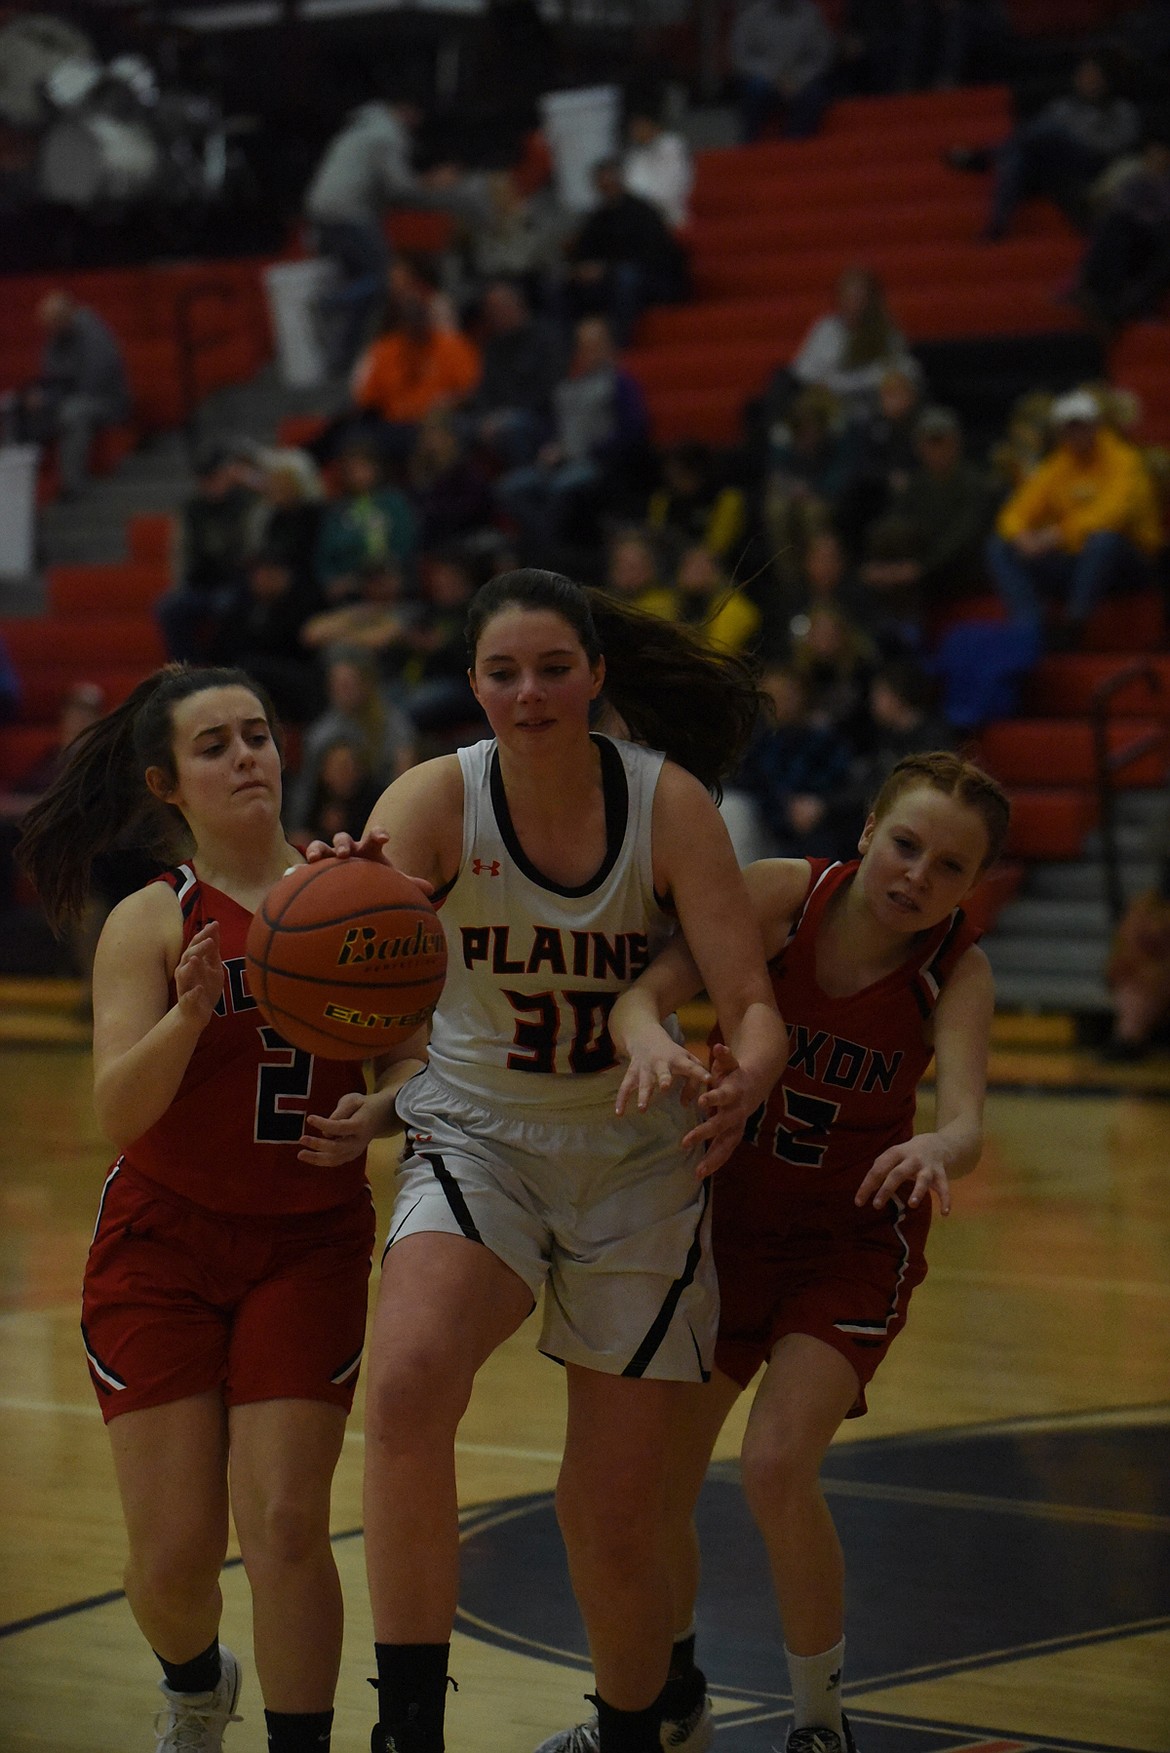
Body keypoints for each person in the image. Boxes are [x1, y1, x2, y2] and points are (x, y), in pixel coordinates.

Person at [308, 568, 789, 1753]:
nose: (529, 694)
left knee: (615, 1514)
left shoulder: (669, 806)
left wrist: (745, 1082)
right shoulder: (433, 798)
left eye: (553, 669)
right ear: (474, 687)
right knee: (410, 1379)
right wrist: (325, 896)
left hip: (639, 1158)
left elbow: (754, 1003)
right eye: (504, 672)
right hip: (481, 1133)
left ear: (596, 677)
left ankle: (634, 1733)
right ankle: (407, 1727)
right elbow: (344, 949)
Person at [540, 750, 1008, 1753]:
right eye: (907, 843)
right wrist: (655, 1040)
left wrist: (934, 1143)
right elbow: (641, 993)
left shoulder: (955, 973)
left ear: (972, 888)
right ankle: (675, 1697)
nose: (918, 875)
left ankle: (820, 1724)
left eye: (950, 867)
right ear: (867, 831)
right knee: (659, 1487)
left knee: (774, 1466)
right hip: (723, 1228)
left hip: (848, 1241)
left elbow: (966, 1119)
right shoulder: (779, 898)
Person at [16, 664, 385, 1753]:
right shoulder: (149, 920)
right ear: (168, 783)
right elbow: (118, 1113)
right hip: (162, 1244)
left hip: (307, 1241)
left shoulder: (350, 895)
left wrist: (384, 1112)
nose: (246, 757)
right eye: (215, 744)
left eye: (258, 735)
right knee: (173, 1560)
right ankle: (193, 1684)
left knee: (282, 1520)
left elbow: (420, 1056)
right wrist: (186, 1014)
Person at [986, 388, 1162, 645]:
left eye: (1082, 426)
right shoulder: (1057, 465)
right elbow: (1014, 512)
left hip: (1129, 560)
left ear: (1096, 426)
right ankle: (1029, 623)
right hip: (1076, 557)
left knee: (1104, 541)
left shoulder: (1124, 460)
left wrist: (1057, 534)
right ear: (1060, 432)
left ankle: (1074, 622)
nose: (1076, 434)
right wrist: (1021, 535)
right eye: (1070, 428)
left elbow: (1112, 514)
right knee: (1000, 545)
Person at [9, 290, 131, 499]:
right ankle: (13, 483)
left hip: (106, 400)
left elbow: (93, 383)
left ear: (66, 316)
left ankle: (73, 485)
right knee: (12, 405)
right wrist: (38, 395)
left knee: (72, 413)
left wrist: (51, 399)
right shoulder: (55, 336)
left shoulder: (93, 334)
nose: (49, 329)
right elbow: (51, 377)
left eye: (52, 323)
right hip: (67, 397)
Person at [562, 158, 692, 347]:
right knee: (562, 283)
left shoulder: (642, 212)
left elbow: (653, 255)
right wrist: (581, 268)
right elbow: (585, 252)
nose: (607, 186)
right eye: (602, 182)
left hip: (650, 278)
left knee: (626, 277)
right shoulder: (597, 218)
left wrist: (607, 269)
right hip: (608, 278)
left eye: (610, 180)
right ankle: (570, 346)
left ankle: (618, 343)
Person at [729, 0, 838, 142]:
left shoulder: (811, 14)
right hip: (764, 78)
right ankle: (750, 146)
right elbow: (740, 56)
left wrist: (798, 79)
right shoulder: (753, 14)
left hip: (800, 79)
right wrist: (774, 76)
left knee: (815, 94)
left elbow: (821, 55)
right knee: (755, 89)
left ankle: (795, 148)